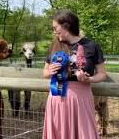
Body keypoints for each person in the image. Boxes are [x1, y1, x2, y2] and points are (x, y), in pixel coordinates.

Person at [42, 9, 107, 139]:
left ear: (66, 25)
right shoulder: (54, 46)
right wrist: (50, 71)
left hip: (81, 99)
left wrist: (89, 79)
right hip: (57, 97)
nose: (53, 31)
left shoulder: (91, 46)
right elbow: (45, 72)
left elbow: (102, 74)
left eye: (55, 28)